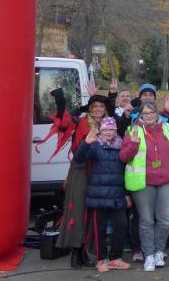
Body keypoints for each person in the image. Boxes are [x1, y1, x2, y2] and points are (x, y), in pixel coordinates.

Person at [119, 102, 169, 272]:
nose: (149, 115)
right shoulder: (133, 130)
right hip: (143, 181)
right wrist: (133, 145)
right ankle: (149, 255)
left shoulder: (168, 128)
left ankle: (159, 251)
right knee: (146, 220)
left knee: (166, 218)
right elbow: (123, 157)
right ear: (141, 115)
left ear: (157, 113)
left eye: (152, 112)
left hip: (166, 180)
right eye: (145, 113)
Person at [57, 92, 108, 269]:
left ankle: (85, 252)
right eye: (95, 107)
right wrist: (59, 98)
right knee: (78, 212)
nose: (98, 109)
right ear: (90, 110)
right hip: (81, 172)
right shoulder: (83, 123)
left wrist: (112, 95)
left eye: (101, 106)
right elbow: (64, 124)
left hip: (97, 172)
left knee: (92, 215)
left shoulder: (107, 125)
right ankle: (75, 253)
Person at [74, 117, 131, 272]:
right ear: (100, 130)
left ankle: (115, 258)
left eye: (111, 129)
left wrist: (126, 194)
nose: (108, 132)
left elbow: (125, 172)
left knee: (121, 226)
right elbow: (78, 159)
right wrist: (86, 143)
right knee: (99, 229)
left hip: (117, 195)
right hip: (98, 196)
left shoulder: (121, 146)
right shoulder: (95, 145)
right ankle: (101, 259)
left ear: (116, 130)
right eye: (105, 129)